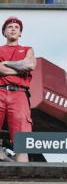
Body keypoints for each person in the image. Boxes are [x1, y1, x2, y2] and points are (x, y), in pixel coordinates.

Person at [0, 16, 36, 163]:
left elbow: (30, 65)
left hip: (19, 94)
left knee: (22, 141)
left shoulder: (27, 49)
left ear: (20, 33)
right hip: (0, 91)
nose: (13, 29)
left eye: (16, 27)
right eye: (9, 27)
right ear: (4, 32)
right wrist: (19, 69)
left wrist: (6, 63)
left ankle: (23, 178)